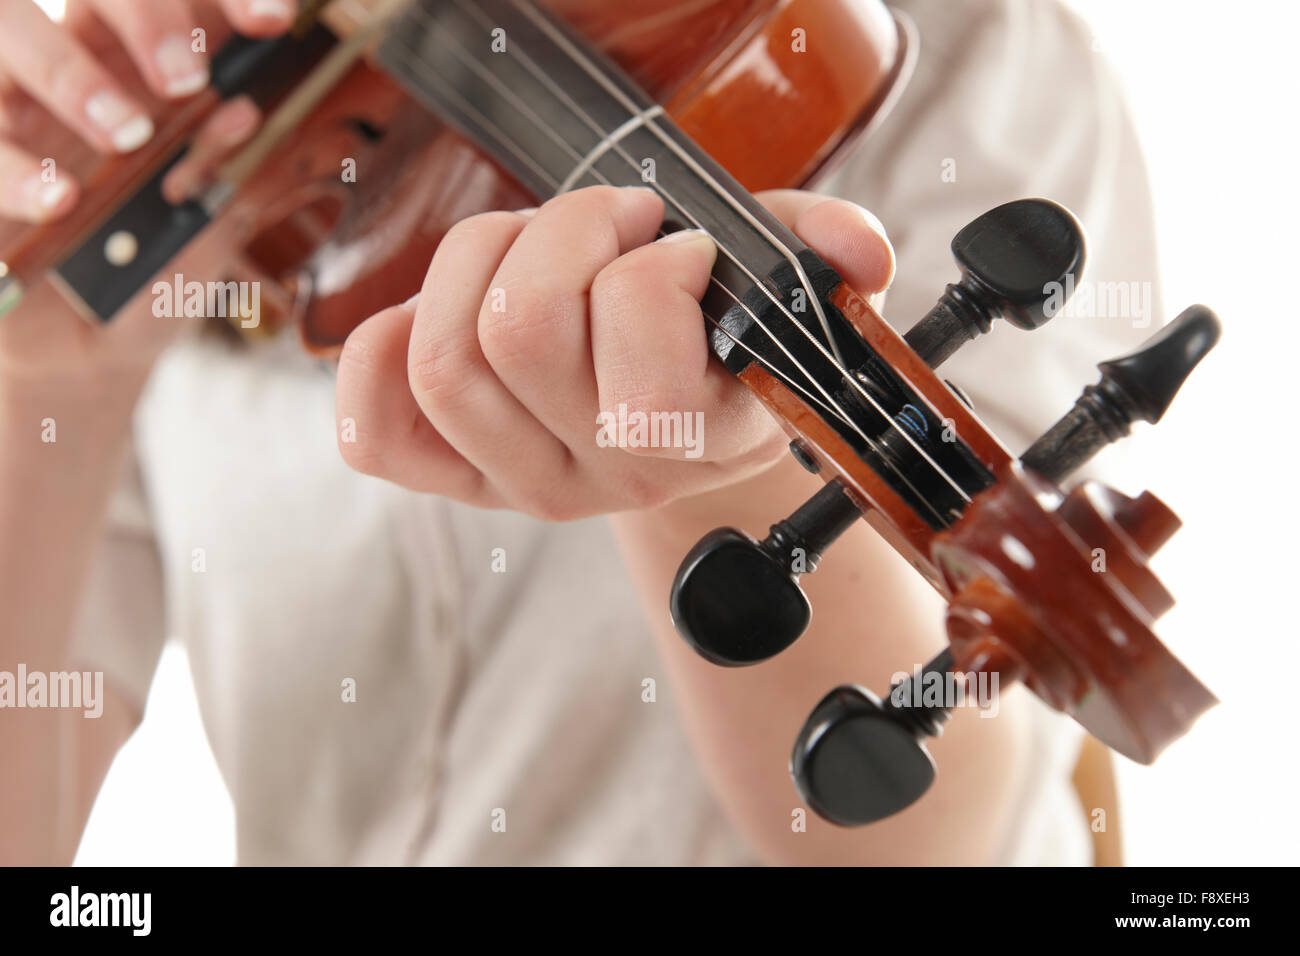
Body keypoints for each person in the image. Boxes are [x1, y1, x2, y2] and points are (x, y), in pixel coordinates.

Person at [0, 0, 1161, 865]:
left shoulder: (956, 48)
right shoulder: (227, 117)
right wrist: (52, 380)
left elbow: (921, 845)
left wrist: (706, 472)